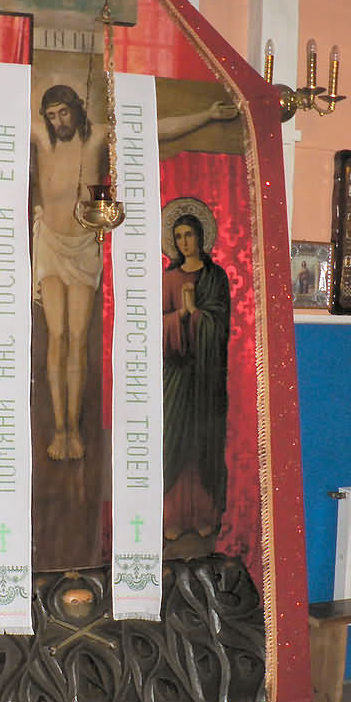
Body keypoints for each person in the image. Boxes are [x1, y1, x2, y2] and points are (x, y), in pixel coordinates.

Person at [0, 76, 237, 461]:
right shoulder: (40, 136)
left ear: (76, 110)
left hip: (84, 247)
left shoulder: (96, 137)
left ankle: (75, 428)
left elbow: (155, 129)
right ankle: (59, 429)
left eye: (63, 113)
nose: (57, 121)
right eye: (51, 115)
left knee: (78, 337)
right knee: (56, 335)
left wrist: (206, 115)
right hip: (51, 244)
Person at [162, 211, 230, 551]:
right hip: (176, 374)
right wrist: (182, 315)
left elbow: (221, 324)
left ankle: (205, 515)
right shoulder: (169, 278)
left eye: (189, 235)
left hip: (207, 375)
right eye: (178, 237)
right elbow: (157, 326)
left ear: (201, 237)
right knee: (175, 441)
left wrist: (199, 314)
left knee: (203, 442)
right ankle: (172, 518)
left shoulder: (216, 277)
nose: (184, 242)